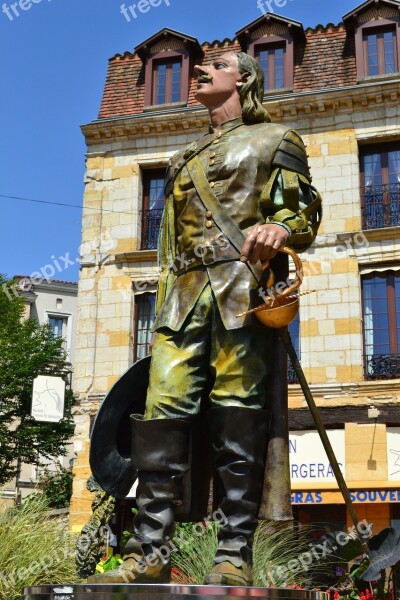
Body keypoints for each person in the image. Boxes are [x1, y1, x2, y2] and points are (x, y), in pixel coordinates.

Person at [90, 51, 321, 586]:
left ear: (243, 79)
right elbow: (168, 247)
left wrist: (281, 229)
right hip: (181, 300)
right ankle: (150, 553)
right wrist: (163, 293)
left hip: (241, 295)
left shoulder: (275, 140)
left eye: (214, 66)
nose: (198, 71)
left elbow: (304, 212)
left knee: (237, 417)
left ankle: (233, 552)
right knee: (159, 418)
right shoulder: (180, 158)